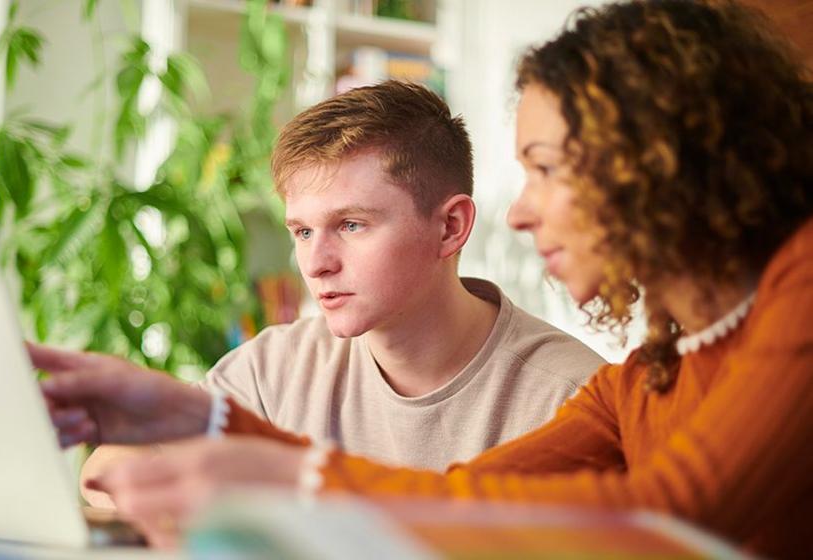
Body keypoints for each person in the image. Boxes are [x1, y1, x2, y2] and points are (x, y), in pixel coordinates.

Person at [40, 1, 813, 557]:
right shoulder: (643, 378)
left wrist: (289, 479)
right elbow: (451, 494)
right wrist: (190, 416)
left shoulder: (803, 286)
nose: (521, 214)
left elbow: (671, 515)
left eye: (545, 170)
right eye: (302, 229)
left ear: (659, 162)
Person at [38, 81, 603, 506]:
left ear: (450, 227)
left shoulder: (569, 398)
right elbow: (107, 470)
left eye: (351, 225)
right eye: (303, 231)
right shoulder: (276, 366)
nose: (316, 262)